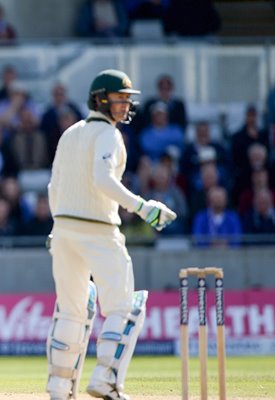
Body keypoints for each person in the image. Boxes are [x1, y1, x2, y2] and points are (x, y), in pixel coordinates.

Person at [45, 69, 176, 400]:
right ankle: (105, 379)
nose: (124, 105)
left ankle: (59, 387)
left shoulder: (70, 133)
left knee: (72, 309)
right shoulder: (108, 135)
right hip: (99, 229)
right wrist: (144, 207)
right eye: (118, 99)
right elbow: (101, 179)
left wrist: (56, 226)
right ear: (100, 99)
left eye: (126, 100)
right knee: (123, 306)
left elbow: (53, 187)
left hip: (64, 230)